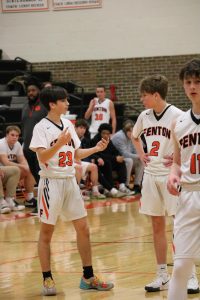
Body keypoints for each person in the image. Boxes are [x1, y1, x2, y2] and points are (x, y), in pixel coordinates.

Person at [29, 86, 114, 296]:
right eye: (64, 101)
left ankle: (88, 276)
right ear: (52, 104)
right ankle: (47, 278)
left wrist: (96, 149)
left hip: (69, 181)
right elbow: (42, 157)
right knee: (47, 233)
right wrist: (59, 143)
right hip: (51, 183)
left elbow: (76, 154)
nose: (68, 104)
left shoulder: (68, 123)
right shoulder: (41, 127)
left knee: (83, 228)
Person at [132, 75, 183, 292]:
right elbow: (135, 137)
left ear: (155, 95)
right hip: (151, 176)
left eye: (144, 95)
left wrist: (180, 159)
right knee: (156, 225)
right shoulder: (144, 116)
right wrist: (141, 153)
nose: (141, 99)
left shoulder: (178, 115)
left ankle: (187, 275)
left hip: (171, 175)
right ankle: (162, 274)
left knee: (179, 226)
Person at [167, 59, 200, 300]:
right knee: (180, 267)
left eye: (198, 82)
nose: (192, 86)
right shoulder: (178, 123)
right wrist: (172, 175)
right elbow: (177, 162)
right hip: (188, 196)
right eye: (188, 82)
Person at [91, 123, 134, 197]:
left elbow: (114, 151)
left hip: (107, 161)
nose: (105, 135)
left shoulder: (109, 141)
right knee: (108, 162)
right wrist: (114, 158)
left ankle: (122, 186)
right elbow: (98, 154)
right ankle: (110, 188)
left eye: (108, 134)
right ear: (100, 132)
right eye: (104, 133)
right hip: (98, 162)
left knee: (121, 162)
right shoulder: (95, 140)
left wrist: (119, 156)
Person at [0, 125, 37, 209]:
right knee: (17, 169)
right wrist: (22, 167)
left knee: (28, 171)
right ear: (6, 135)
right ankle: (6, 200)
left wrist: (26, 168)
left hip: (10, 172)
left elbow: (22, 159)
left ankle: (29, 199)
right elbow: (6, 163)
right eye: (12, 135)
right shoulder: (1, 143)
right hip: (3, 171)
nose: (15, 137)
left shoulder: (17, 144)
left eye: (17, 136)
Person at [74, 120, 106, 199]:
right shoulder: (72, 137)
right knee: (79, 166)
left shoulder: (85, 139)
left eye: (84, 128)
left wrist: (94, 158)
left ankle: (95, 191)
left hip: (80, 161)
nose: (83, 130)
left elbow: (88, 152)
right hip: (70, 161)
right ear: (75, 128)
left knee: (94, 166)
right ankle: (77, 193)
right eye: (81, 128)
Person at [111, 119, 144, 194]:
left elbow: (134, 150)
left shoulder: (131, 136)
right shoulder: (120, 137)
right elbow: (124, 153)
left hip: (125, 158)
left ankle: (136, 185)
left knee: (141, 160)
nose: (132, 134)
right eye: (131, 132)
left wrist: (140, 155)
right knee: (130, 160)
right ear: (126, 131)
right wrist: (139, 155)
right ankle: (126, 185)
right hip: (116, 159)